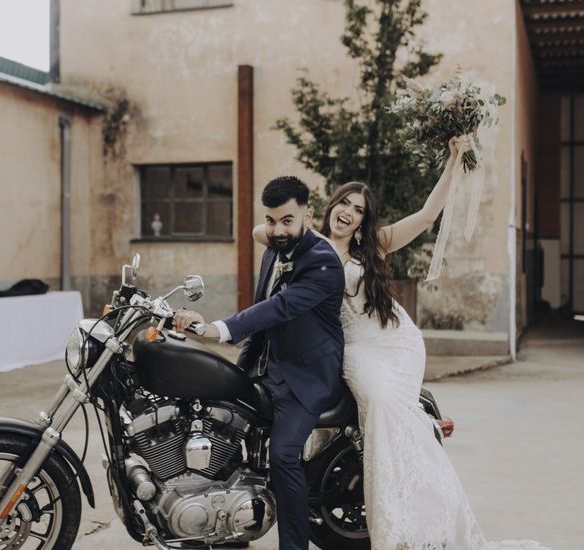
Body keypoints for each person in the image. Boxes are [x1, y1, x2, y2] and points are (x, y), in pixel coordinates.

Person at [250, 138, 547, 548]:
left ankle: (414, 508)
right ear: (330, 205)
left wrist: (453, 160)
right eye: (345, 204)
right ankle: (391, 504)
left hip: (392, 341)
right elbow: (259, 231)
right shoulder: (304, 241)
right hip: (349, 343)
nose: (349, 214)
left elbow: (426, 216)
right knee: (370, 403)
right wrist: (288, 226)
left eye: (359, 211)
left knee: (386, 404)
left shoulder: (373, 246)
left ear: (362, 221)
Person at [174, 176, 345, 550]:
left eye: (287, 220)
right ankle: (220, 529)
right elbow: (261, 238)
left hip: (305, 376)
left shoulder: (323, 262)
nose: (277, 229)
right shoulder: (274, 247)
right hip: (263, 367)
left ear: (309, 215)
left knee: (284, 456)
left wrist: (217, 329)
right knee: (213, 421)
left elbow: (278, 308)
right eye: (271, 220)